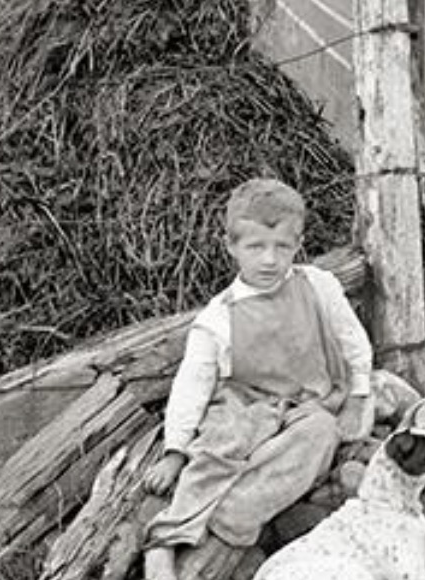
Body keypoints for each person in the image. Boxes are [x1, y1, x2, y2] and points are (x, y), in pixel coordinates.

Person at [141, 178, 373, 580]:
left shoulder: (318, 286)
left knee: (320, 434)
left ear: (298, 243)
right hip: (246, 403)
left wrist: (358, 394)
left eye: (282, 247)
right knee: (221, 442)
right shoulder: (218, 317)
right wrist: (175, 449)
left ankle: (235, 511)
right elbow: (191, 387)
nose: (269, 260)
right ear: (231, 246)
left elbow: (354, 342)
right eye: (255, 247)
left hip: (309, 404)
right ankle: (167, 537)